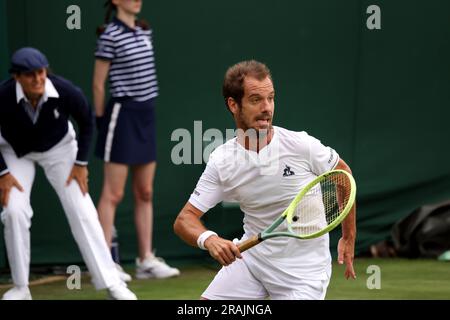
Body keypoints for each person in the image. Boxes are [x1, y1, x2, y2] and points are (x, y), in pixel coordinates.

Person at [173, 60, 357, 300]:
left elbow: (343, 177)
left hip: (304, 273)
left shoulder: (302, 145)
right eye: (255, 100)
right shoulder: (222, 160)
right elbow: (184, 219)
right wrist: (210, 240)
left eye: (270, 98)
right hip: (251, 262)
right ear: (233, 105)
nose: (267, 108)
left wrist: (348, 237)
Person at [0, 47, 137, 300]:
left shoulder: (64, 90)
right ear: (17, 77)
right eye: (30, 75)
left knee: (82, 210)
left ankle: (112, 283)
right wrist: (3, 172)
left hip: (60, 150)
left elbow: (86, 121)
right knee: (14, 210)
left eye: (41, 72)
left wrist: (80, 163)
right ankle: (21, 287)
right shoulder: (4, 95)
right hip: (15, 152)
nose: (38, 79)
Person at [93, 0, 179, 281]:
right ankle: (105, 264)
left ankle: (145, 260)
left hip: (146, 115)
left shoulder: (145, 31)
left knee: (145, 192)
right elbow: (98, 83)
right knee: (113, 193)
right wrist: (100, 120)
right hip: (122, 115)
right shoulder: (109, 35)